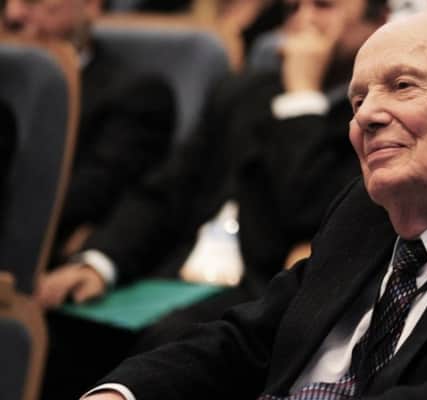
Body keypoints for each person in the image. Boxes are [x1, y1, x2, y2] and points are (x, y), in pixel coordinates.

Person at [84, 11, 427, 400]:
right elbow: (249, 339)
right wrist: (123, 392)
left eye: (402, 86)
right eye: (357, 100)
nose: (367, 116)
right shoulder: (362, 215)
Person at [35, 0, 388, 398]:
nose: (303, 19)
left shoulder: (374, 122)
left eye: (323, 6)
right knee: (60, 323)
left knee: (172, 340)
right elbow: (166, 192)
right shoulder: (242, 91)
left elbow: (312, 211)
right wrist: (100, 262)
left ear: (378, 23)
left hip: (261, 290)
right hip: (175, 277)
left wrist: (302, 97)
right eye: (293, 7)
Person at [1, 0, 175, 259]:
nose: (13, 13)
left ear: (91, 5)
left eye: (32, 0)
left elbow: (87, 196)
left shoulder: (135, 92)